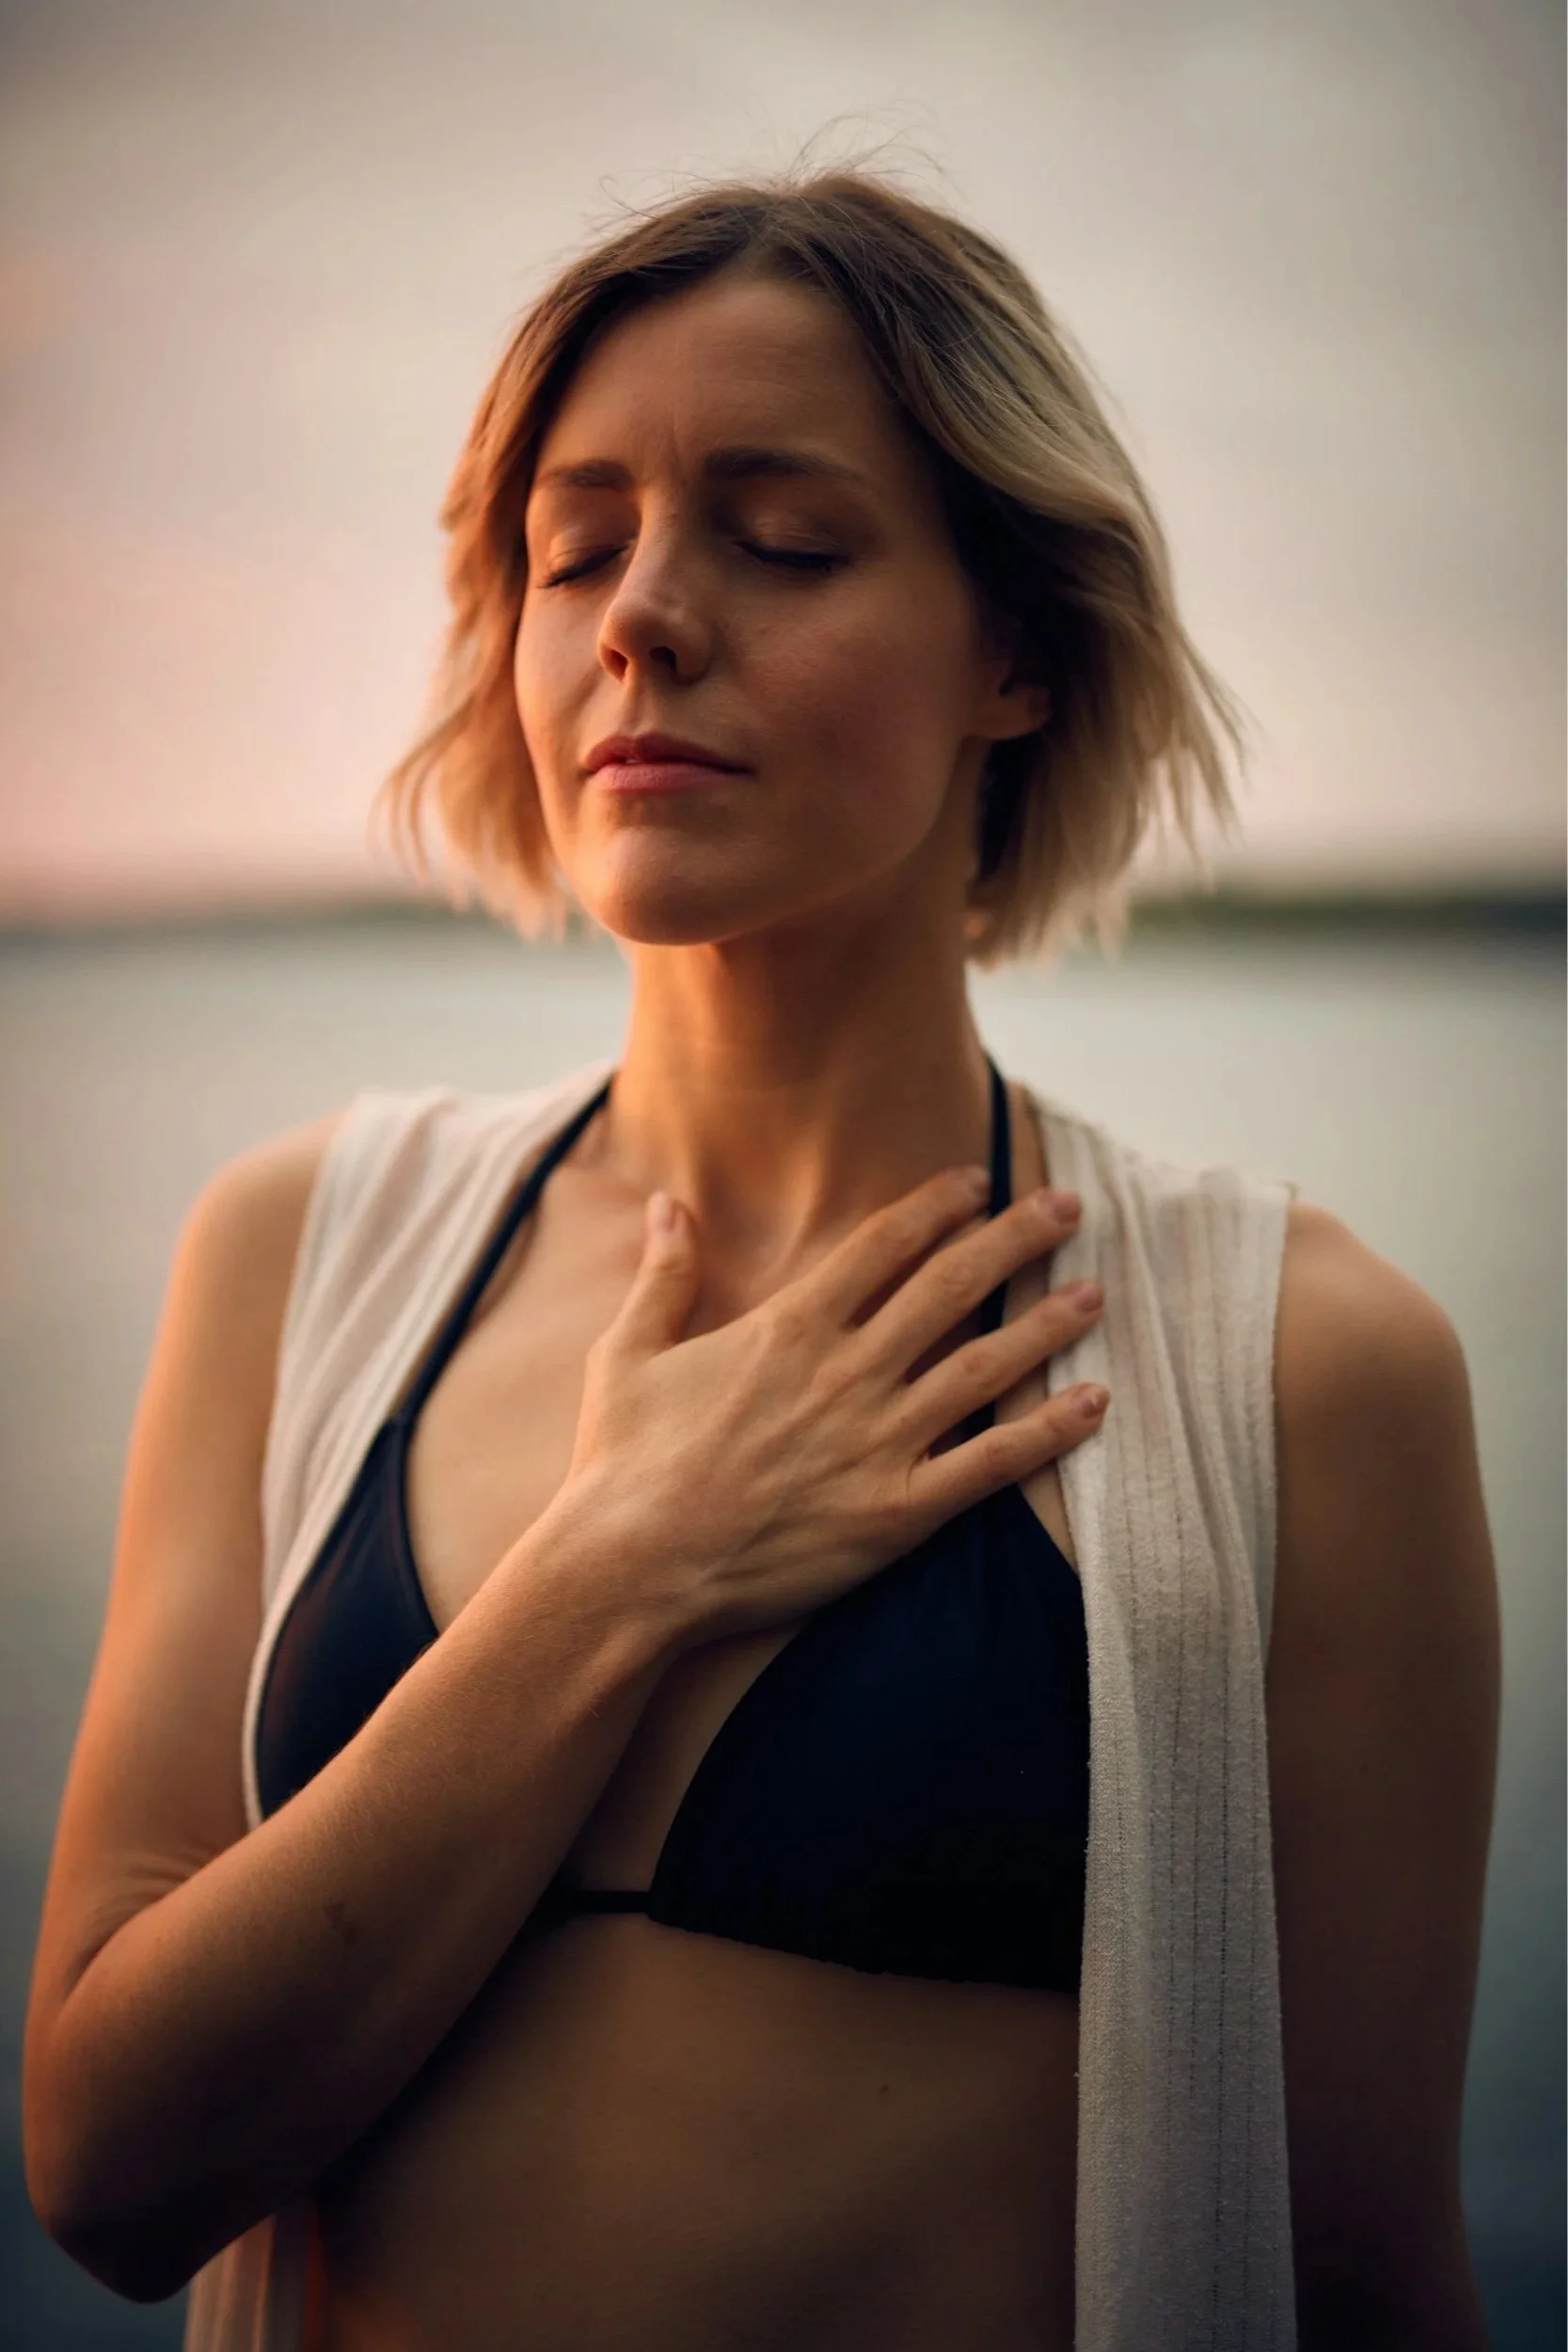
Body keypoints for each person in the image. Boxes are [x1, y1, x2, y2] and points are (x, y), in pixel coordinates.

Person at [23, 167, 1499, 2352]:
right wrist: (617, 1563)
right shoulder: (298, 1253)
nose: (639, 614)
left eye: (780, 536)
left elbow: (1365, 2277)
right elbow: (110, 2169)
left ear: (1013, 645)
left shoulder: (1298, 1370)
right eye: (571, 546)